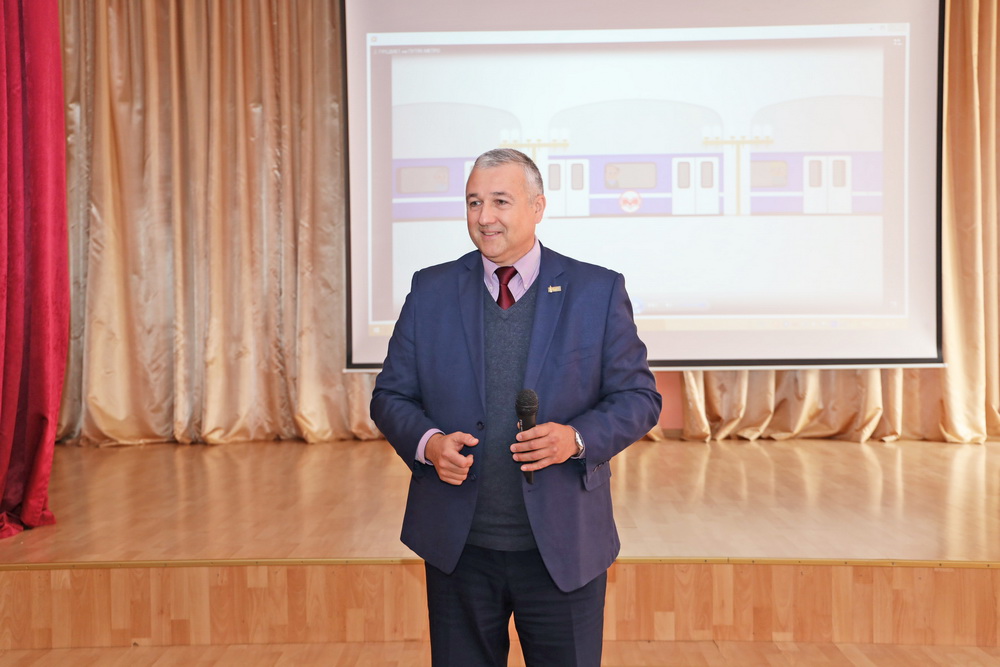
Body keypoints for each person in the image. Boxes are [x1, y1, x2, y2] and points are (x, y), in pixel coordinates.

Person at [371, 148, 661, 666]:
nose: (484, 217)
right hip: (459, 549)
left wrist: (575, 439)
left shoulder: (596, 291)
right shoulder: (431, 290)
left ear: (538, 207)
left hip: (563, 548)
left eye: (500, 201)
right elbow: (391, 395)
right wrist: (429, 444)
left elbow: (639, 397)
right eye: (473, 202)